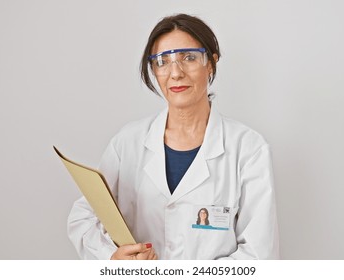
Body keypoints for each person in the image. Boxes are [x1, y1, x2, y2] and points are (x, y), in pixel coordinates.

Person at [67, 13, 279, 260]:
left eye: (189, 57)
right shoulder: (128, 143)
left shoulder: (248, 149)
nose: (175, 73)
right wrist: (111, 257)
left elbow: (259, 253)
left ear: (211, 62)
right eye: (162, 61)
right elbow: (83, 217)